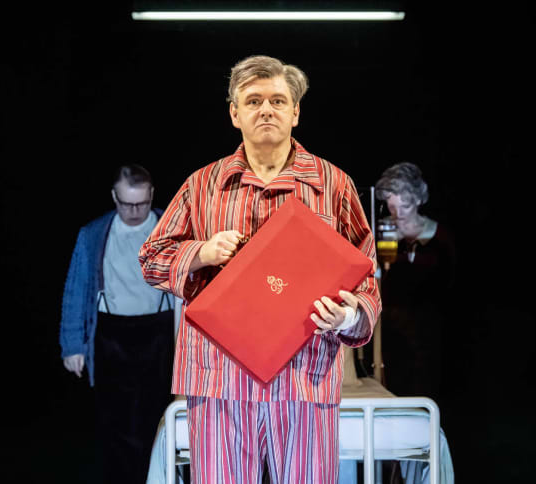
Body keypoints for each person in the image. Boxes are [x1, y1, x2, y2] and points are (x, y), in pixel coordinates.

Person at [139, 55, 381, 484]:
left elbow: (366, 277)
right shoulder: (201, 185)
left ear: (296, 111)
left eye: (277, 100)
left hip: (305, 377)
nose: (265, 109)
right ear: (235, 113)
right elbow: (151, 259)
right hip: (220, 380)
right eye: (252, 101)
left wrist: (349, 316)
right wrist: (200, 252)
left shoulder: (334, 185)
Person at [59, 164, 177, 484]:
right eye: (126, 203)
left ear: (152, 194)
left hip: (159, 337)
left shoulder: (173, 230)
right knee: (116, 428)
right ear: (114, 196)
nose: (134, 211)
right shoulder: (93, 235)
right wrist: (72, 346)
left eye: (141, 202)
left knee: (158, 424)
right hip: (112, 339)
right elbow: (76, 290)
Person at [375, 162, 456, 401]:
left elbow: (449, 281)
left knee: (424, 383)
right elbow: (379, 273)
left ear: (419, 200)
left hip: (426, 325)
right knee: (392, 382)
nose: (398, 214)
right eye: (392, 207)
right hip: (389, 323)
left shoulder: (440, 236)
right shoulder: (386, 231)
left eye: (405, 206)